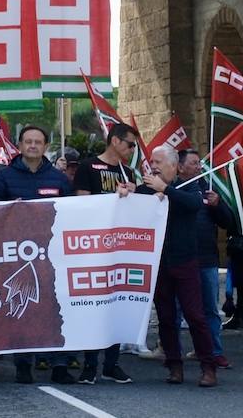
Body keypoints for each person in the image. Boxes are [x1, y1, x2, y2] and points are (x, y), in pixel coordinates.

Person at [0, 125, 76, 385]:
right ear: (19, 144)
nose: (33, 146)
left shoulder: (59, 179)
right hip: (19, 255)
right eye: (28, 141)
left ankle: (59, 364)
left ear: (46, 146)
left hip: (53, 252)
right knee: (23, 307)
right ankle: (24, 364)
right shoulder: (4, 177)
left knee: (56, 308)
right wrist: (6, 210)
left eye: (38, 142)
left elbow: (72, 213)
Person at [139, 145, 218, 387]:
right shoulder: (147, 188)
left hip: (185, 261)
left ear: (174, 166)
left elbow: (194, 204)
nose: (153, 165)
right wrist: (126, 193)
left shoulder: (190, 186)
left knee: (195, 315)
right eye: (152, 161)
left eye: (159, 162)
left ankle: (208, 366)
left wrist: (166, 191)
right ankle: (174, 365)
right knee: (166, 316)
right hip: (160, 263)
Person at [71, 123, 140, 385]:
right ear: (114, 141)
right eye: (129, 144)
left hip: (120, 248)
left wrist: (135, 195)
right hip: (94, 247)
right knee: (94, 305)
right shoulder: (88, 168)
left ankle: (112, 364)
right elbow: (82, 205)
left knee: (118, 303)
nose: (132, 149)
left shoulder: (128, 171)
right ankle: (90, 365)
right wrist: (115, 197)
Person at [177, 149, 234, 368]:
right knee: (176, 309)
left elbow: (227, 222)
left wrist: (218, 205)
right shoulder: (172, 188)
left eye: (198, 163)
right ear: (180, 167)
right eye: (193, 164)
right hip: (180, 259)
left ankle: (214, 351)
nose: (199, 167)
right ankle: (172, 350)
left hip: (207, 259)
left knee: (210, 308)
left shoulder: (208, 190)